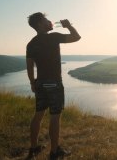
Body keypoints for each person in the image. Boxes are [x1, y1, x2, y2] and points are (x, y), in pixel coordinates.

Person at [26, 12, 81, 159]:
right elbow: (77, 37)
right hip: (54, 83)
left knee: (38, 115)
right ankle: (55, 151)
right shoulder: (53, 37)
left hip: (40, 83)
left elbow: (29, 67)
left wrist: (33, 83)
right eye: (46, 20)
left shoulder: (31, 44)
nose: (50, 22)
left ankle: (33, 148)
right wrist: (69, 25)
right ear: (39, 24)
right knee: (55, 117)